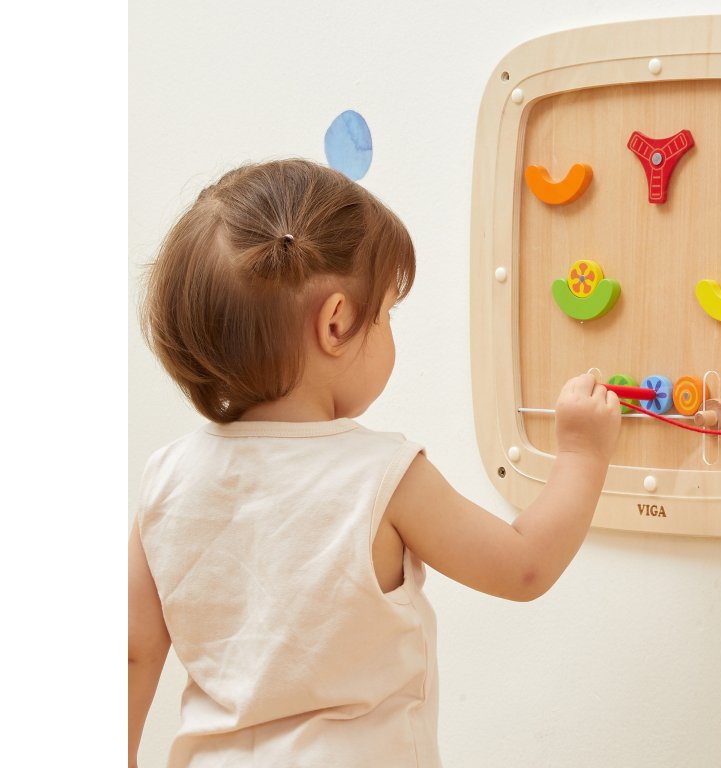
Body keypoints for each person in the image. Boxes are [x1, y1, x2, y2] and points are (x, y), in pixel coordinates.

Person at [128, 158, 621, 767]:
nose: (388, 329)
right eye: (386, 312)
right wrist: (582, 453)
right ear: (336, 323)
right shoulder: (383, 475)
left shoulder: (166, 479)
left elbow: (133, 652)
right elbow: (523, 568)